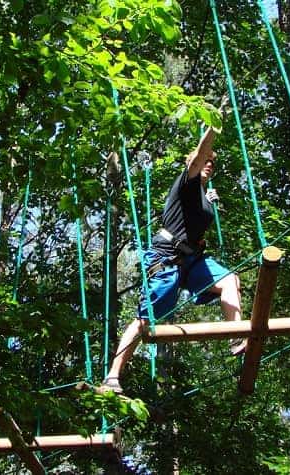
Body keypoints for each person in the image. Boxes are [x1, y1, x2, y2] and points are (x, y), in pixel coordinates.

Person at [100, 126, 246, 395]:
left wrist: (211, 206)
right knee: (146, 318)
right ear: (193, 163)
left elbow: (194, 230)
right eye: (205, 162)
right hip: (166, 257)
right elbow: (199, 157)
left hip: (192, 260)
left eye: (212, 164)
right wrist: (212, 130)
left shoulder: (203, 197)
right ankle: (113, 376)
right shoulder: (185, 183)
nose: (209, 166)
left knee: (230, 280)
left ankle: (237, 336)